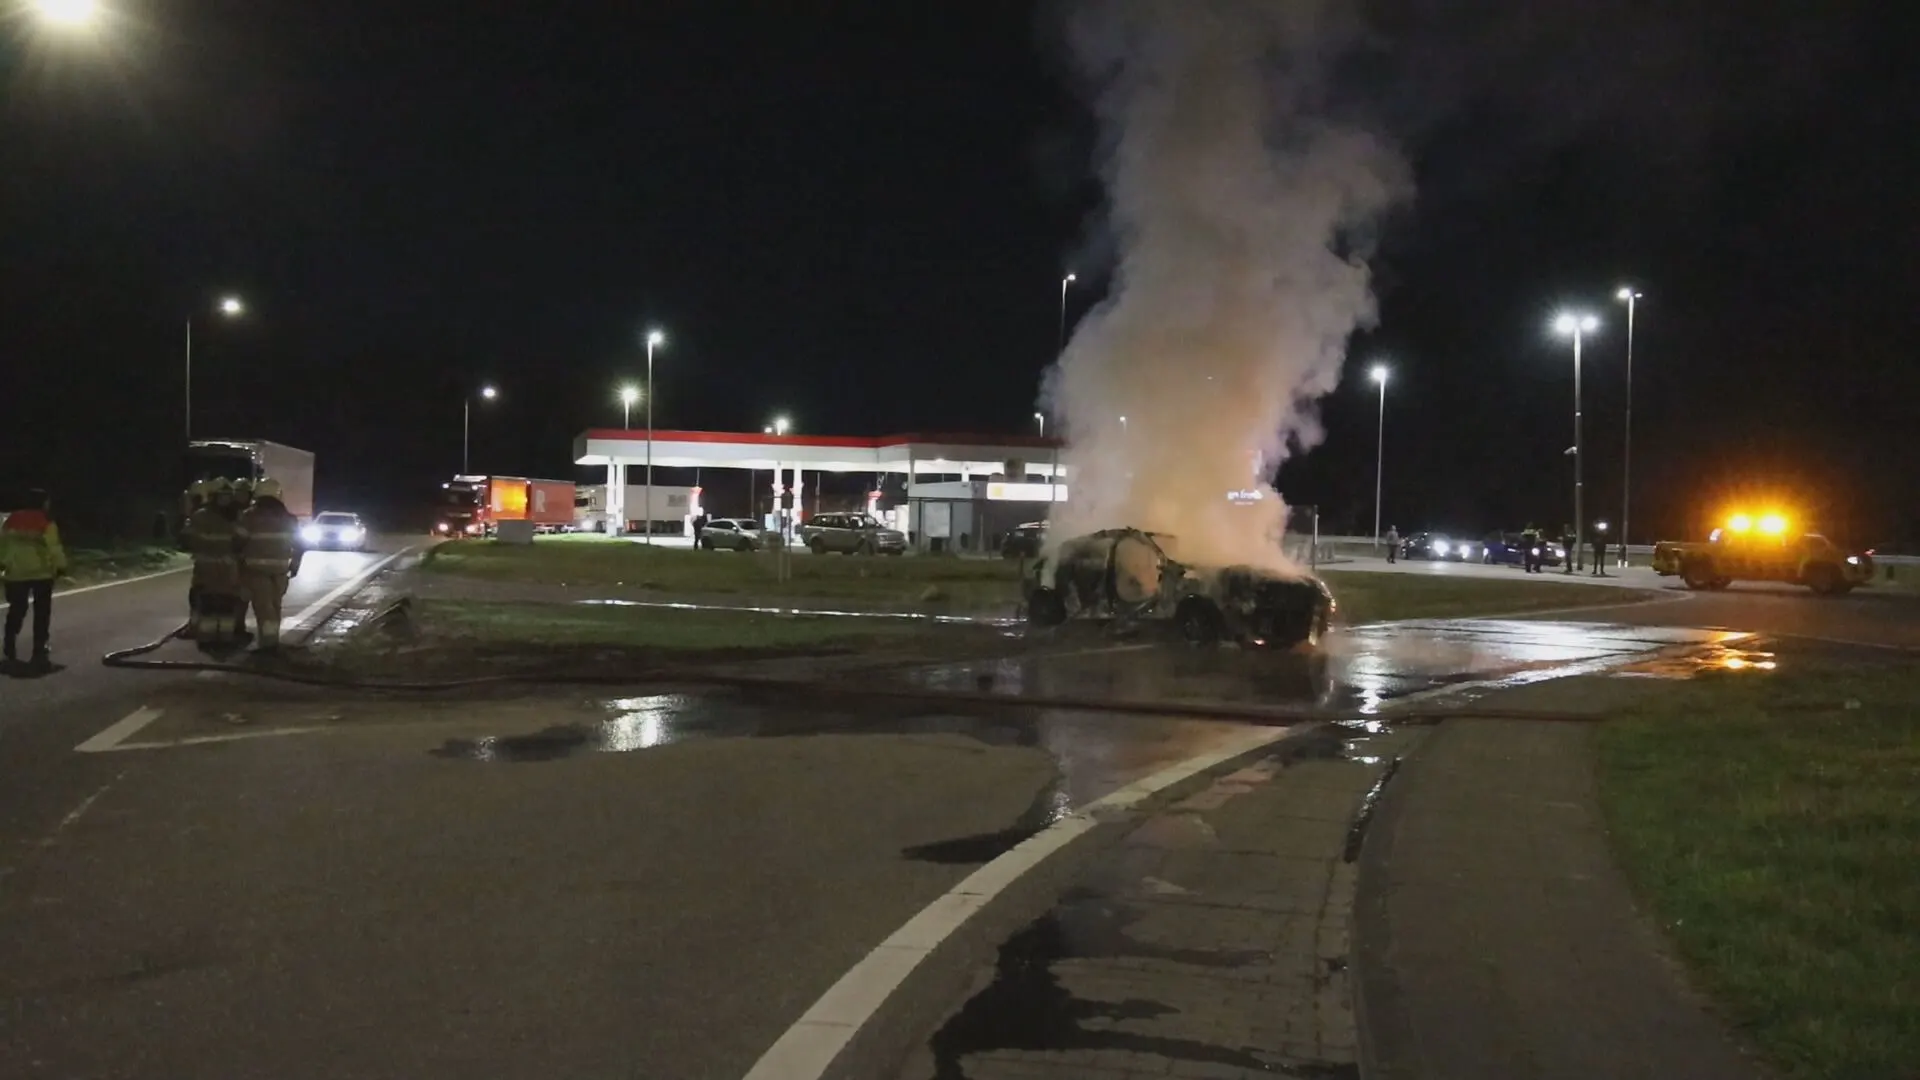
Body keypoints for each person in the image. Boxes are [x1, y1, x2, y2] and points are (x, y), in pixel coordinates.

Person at [234, 478, 303, 652]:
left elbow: (237, 541)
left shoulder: (249, 516)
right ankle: (272, 642)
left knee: (264, 610)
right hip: (280, 571)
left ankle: (268, 646)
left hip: (256, 571)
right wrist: (294, 565)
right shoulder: (289, 518)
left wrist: (239, 562)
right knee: (274, 607)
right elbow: (300, 545)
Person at [2, 489, 67, 672]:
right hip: (41, 574)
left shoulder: (11, 520)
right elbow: (53, 548)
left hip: (15, 573)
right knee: (41, 615)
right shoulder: (46, 522)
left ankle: (9, 643)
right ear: (42, 503)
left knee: (16, 609)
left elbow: (2, 545)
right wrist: (61, 567)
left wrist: (2, 567)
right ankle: (39, 654)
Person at [185, 479, 244, 648]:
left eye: (227, 496)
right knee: (211, 606)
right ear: (213, 496)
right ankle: (210, 638)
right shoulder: (233, 517)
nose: (225, 499)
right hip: (213, 570)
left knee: (224, 606)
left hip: (217, 570)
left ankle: (222, 638)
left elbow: (190, 539)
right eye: (222, 496)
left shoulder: (202, 516)